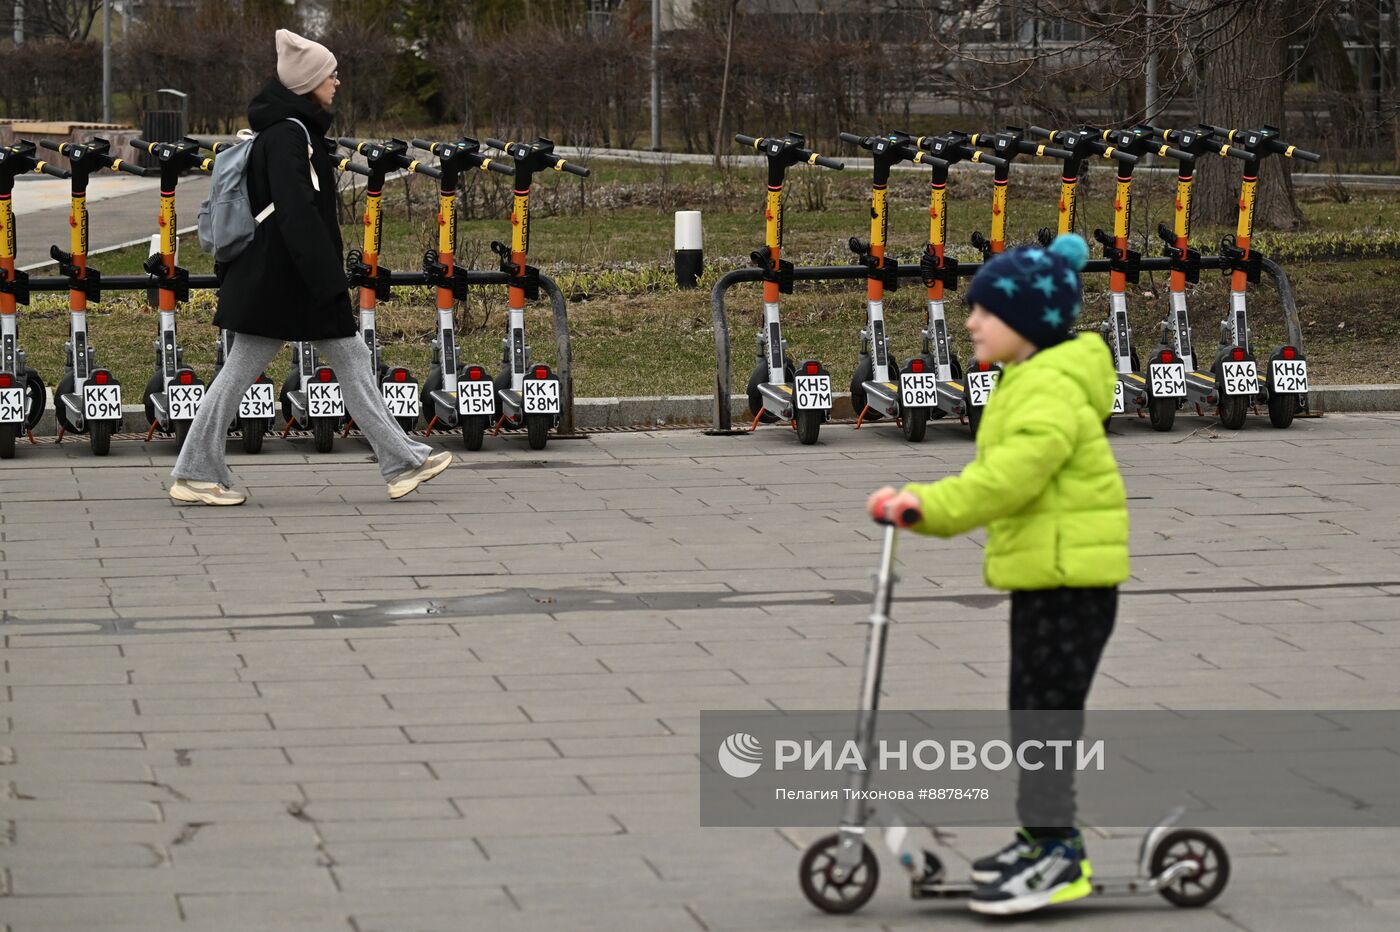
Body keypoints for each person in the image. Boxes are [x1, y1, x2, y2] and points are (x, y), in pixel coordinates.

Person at [867, 233, 1128, 916]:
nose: (971, 322)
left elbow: (1006, 480)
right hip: (1050, 579)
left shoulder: (1048, 393)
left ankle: (1058, 855)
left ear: (1030, 323)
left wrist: (929, 505)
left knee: (1045, 720)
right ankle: (1039, 837)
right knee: (1032, 716)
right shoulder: (1030, 380)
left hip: (1072, 585)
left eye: (985, 311)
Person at [168, 29, 450, 506]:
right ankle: (194, 473)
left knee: (349, 362)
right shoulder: (288, 136)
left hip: (280, 279)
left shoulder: (288, 130)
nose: (337, 81)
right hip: (287, 281)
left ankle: (402, 461)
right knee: (244, 372)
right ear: (307, 83)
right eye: (329, 74)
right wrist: (327, 281)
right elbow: (297, 214)